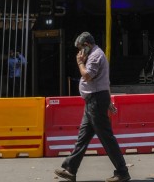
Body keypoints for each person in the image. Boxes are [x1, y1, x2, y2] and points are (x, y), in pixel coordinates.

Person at [55, 32, 130, 182]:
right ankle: (70, 169)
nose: (79, 52)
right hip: (93, 101)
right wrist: (108, 101)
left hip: (95, 101)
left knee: (106, 137)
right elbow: (105, 81)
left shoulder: (95, 56)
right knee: (83, 137)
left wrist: (80, 63)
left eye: (81, 48)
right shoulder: (93, 54)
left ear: (87, 45)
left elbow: (88, 75)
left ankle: (122, 171)